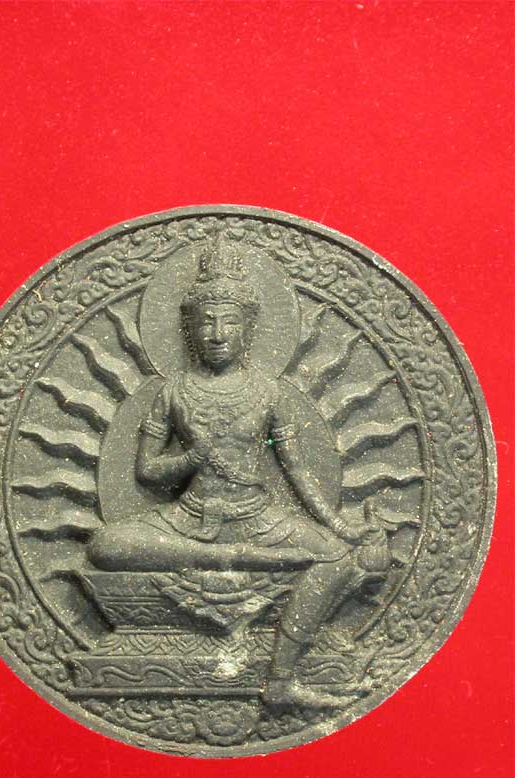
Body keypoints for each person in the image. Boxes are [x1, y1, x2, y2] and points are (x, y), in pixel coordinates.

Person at [89, 237, 390, 708]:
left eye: (229, 321)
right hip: (187, 518)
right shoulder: (173, 391)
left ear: (248, 327)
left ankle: (281, 679)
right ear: (189, 329)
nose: (217, 333)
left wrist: (339, 524)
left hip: (258, 517)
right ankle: (230, 556)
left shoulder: (267, 392)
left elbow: (297, 470)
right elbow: (147, 471)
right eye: (206, 321)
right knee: (104, 545)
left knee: (337, 556)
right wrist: (191, 458)